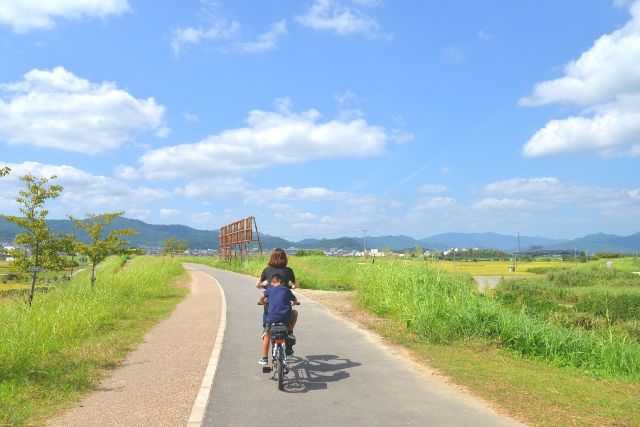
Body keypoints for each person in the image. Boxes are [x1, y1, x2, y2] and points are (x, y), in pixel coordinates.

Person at [258, 274, 298, 365]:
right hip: (286, 318)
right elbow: (295, 300)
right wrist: (292, 303)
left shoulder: (270, 290)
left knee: (267, 335)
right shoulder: (287, 290)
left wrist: (263, 303)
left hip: (272, 319)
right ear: (283, 283)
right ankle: (290, 331)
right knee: (295, 313)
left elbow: (261, 298)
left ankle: (264, 358)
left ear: (272, 283)